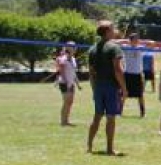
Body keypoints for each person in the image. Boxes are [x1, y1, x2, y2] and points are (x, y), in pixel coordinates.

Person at [86, 20, 127, 156]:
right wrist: (124, 88)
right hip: (111, 87)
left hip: (98, 86)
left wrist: (94, 88)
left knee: (97, 116)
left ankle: (89, 147)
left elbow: (91, 73)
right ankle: (109, 149)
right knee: (110, 118)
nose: (114, 30)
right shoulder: (114, 48)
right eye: (112, 28)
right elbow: (118, 70)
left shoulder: (92, 49)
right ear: (107, 31)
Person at [56, 42, 81, 126]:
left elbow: (73, 73)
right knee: (66, 102)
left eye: (74, 47)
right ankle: (63, 121)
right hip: (64, 83)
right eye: (72, 47)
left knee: (70, 102)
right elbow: (62, 72)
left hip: (71, 83)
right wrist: (66, 83)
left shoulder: (73, 59)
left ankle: (67, 120)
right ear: (68, 48)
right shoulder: (63, 59)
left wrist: (78, 84)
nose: (74, 48)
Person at [122, 33, 146, 117]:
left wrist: (141, 42)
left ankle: (142, 112)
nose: (137, 41)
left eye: (138, 39)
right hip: (128, 74)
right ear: (131, 40)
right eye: (135, 39)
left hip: (137, 74)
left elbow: (152, 43)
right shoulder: (125, 47)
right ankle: (119, 111)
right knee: (124, 94)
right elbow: (114, 43)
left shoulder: (140, 48)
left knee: (140, 95)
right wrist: (126, 41)